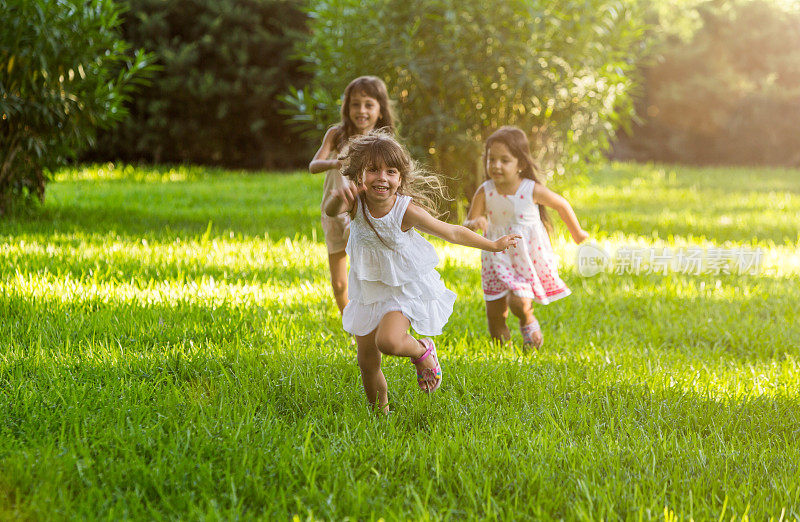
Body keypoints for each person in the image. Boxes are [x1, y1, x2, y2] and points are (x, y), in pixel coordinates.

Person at [325, 131, 520, 413]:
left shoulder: (405, 211)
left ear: (400, 179)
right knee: (367, 361)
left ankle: (422, 351)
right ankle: (380, 413)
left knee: (389, 341)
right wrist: (336, 197)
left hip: (402, 288)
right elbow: (332, 211)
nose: (382, 177)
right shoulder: (356, 202)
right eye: (373, 170)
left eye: (390, 172)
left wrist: (493, 245)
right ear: (358, 177)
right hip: (368, 287)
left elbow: (452, 232)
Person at [463, 126, 589, 350]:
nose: (496, 165)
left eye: (505, 160)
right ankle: (502, 353)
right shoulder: (485, 190)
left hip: (524, 257)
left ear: (520, 164)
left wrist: (577, 233)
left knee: (519, 302)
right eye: (492, 159)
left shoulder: (530, 189)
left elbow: (561, 205)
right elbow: (469, 224)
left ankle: (527, 320)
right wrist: (476, 223)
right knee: (495, 312)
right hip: (495, 257)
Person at [309, 76, 397, 314]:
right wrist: (335, 163)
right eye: (355, 104)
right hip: (333, 211)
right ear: (347, 108)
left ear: (380, 110)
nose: (362, 111)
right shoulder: (337, 135)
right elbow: (313, 165)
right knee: (339, 284)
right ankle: (352, 324)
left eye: (369, 104)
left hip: (361, 213)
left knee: (363, 270)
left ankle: (373, 317)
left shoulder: (381, 142)